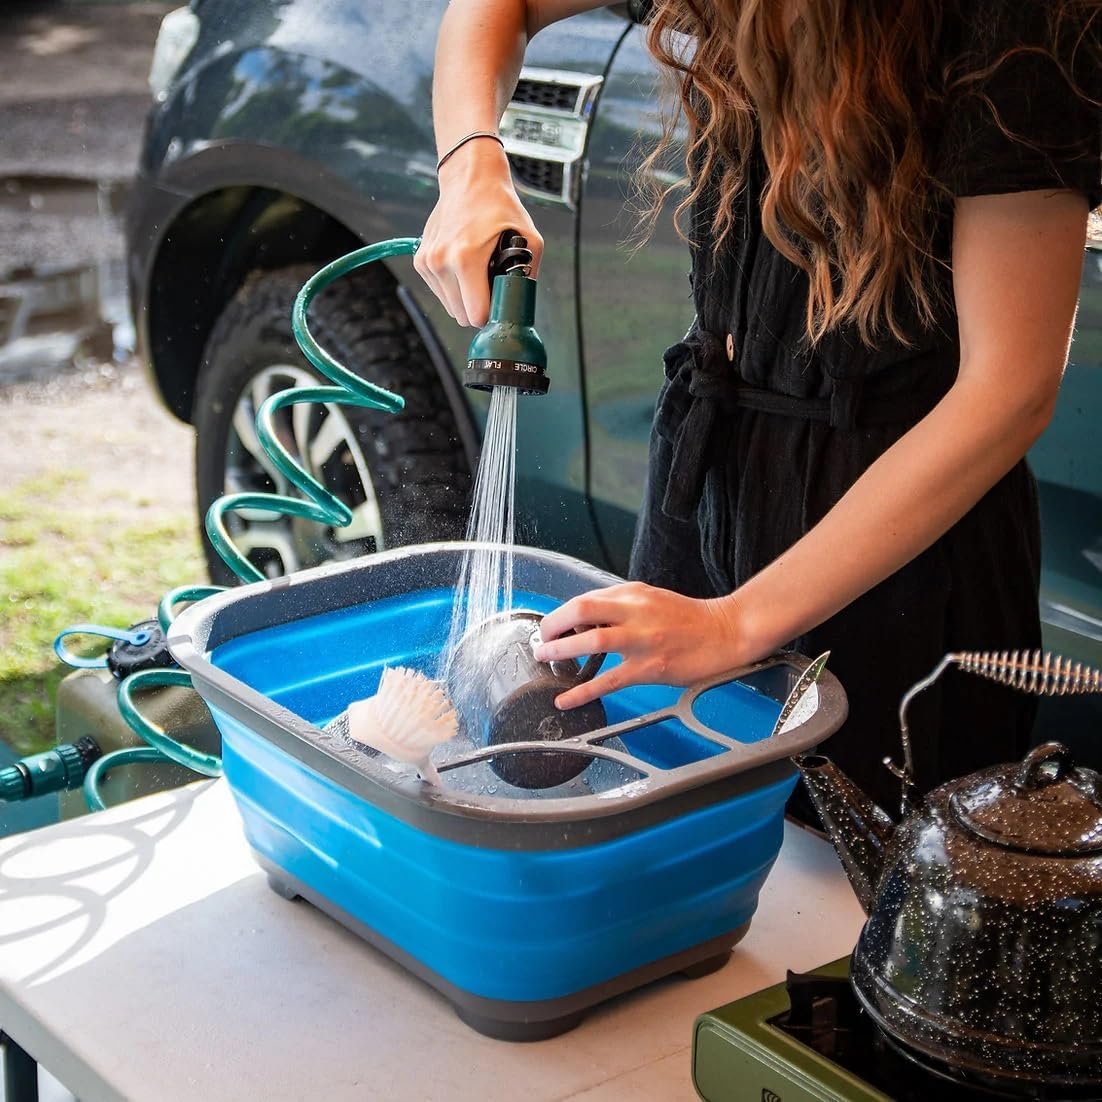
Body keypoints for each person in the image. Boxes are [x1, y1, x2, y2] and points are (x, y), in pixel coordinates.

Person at [415, 0, 1101, 814]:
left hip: (895, 545)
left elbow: (1010, 390)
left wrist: (737, 624)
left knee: (857, 871)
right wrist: (471, 167)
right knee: (675, 812)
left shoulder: (1019, 24)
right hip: (710, 467)